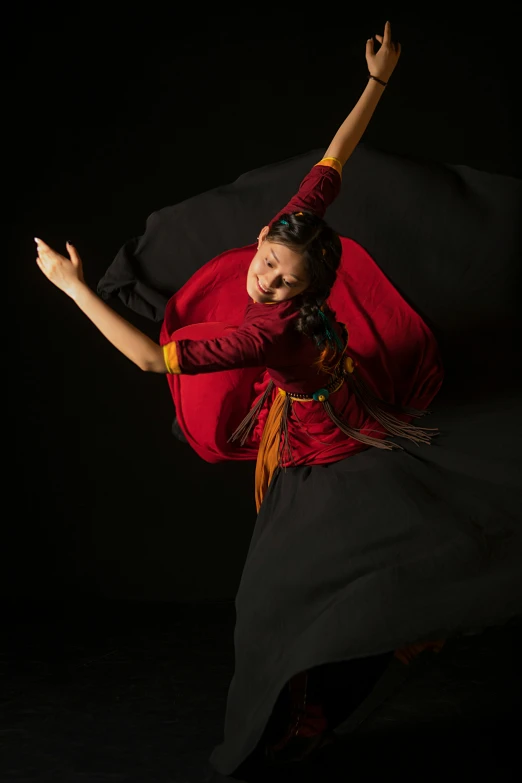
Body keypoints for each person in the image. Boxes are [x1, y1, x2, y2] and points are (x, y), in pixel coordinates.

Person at [34, 22, 459, 774]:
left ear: (310, 290)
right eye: (266, 261)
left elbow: (142, 360)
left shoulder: (263, 334)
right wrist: (379, 81)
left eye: (284, 280)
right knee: (298, 592)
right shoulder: (302, 225)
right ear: (268, 230)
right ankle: (324, 693)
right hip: (308, 417)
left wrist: (71, 287)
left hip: (329, 445)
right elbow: (337, 155)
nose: (264, 278)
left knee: (291, 597)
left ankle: (338, 683)